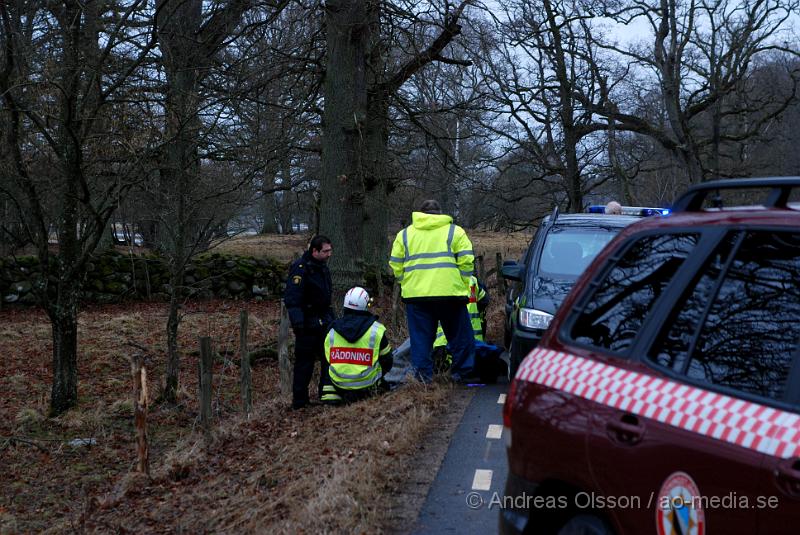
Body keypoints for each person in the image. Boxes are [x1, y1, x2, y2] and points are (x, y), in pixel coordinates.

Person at [389, 199, 476, 383]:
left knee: (421, 340)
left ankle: (422, 379)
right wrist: (462, 281)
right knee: (460, 336)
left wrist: (407, 282)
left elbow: (395, 265)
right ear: (440, 213)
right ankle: (461, 374)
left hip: (416, 297)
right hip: (450, 295)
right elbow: (467, 260)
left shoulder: (404, 235)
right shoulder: (455, 231)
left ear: (420, 214)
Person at [284, 235, 339, 409]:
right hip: (307, 323)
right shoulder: (300, 269)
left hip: (324, 321)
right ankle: (300, 401)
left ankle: (327, 395)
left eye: (330, 250)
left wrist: (331, 318)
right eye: (326, 251)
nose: (329, 254)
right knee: (304, 364)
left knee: (328, 359)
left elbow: (326, 296)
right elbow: (293, 299)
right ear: (314, 251)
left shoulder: (323, 267)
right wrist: (298, 324)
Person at [324, 287, 393, 403]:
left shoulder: (332, 331)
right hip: (368, 387)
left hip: (339, 387)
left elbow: (327, 360)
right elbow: (387, 361)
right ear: (366, 306)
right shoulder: (376, 330)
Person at [432, 275, 488, 372]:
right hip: (473, 336)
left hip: (442, 342)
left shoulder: (439, 282)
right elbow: (484, 300)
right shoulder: (472, 281)